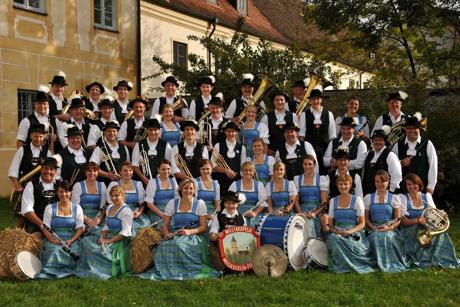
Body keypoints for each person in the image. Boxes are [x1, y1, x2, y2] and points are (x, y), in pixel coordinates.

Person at [138, 179, 221, 280]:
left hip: (194, 235)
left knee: (180, 245)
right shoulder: (172, 203)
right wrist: (167, 234)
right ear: (180, 190)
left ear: (194, 190)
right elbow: (165, 225)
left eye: (191, 188)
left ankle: (185, 270)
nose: (188, 191)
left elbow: (203, 227)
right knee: (163, 246)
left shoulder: (199, 203)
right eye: (185, 188)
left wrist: (189, 231)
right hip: (176, 233)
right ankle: (170, 271)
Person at [400, 174, 459, 269]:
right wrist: (416, 220)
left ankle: (440, 257)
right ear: (405, 186)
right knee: (417, 231)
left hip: (426, 225)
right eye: (408, 184)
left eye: (414, 183)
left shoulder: (427, 197)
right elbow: (403, 222)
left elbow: (434, 214)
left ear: (419, 184)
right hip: (410, 228)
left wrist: (442, 215)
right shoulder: (402, 198)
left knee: (441, 233)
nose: (412, 186)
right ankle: (422, 258)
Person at [76, 185, 134, 279]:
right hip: (108, 237)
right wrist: (102, 237)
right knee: (85, 241)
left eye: (117, 196)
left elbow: (125, 232)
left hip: (119, 241)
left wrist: (108, 241)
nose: (114, 198)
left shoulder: (126, 211)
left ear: (123, 196)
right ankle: (92, 265)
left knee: (97, 250)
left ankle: (101, 268)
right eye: (112, 196)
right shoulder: (110, 207)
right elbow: (107, 225)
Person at [323, 174, 376, 273]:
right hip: (338, 232)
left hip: (354, 232)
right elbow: (330, 225)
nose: (343, 187)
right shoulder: (333, 201)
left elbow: (362, 223)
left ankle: (347, 266)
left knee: (345, 241)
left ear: (350, 185)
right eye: (341, 184)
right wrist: (337, 231)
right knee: (335, 238)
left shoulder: (357, 200)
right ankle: (342, 265)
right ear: (337, 185)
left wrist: (350, 231)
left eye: (346, 184)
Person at [38, 180, 85, 279]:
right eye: (61, 191)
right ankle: (52, 271)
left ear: (70, 192)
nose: (64, 194)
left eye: (66, 191)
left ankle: (68, 270)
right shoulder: (49, 208)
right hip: (54, 238)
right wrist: (53, 240)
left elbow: (80, 228)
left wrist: (72, 240)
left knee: (76, 251)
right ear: (57, 193)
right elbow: (45, 228)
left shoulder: (77, 208)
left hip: (71, 238)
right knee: (54, 251)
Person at [364, 170, 408, 272]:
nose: (379, 184)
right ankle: (377, 263)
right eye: (377, 181)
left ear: (388, 182)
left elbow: (397, 220)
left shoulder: (394, 198)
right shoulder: (368, 198)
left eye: (382, 181)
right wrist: (373, 228)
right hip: (373, 228)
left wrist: (389, 228)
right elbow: (366, 219)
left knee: (387, 236)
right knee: (376, 236)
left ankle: (388, 262)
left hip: (390, 229)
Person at [9, 124, 52, 227]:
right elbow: (13, 169)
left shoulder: (48, 152)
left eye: (41, 136)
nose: (38, 139)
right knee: (21, 215)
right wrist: (16, 184)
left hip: (39, 187)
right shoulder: (22, 150)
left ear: (44, 137)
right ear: (30, 136)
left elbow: (52, 171)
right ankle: (18, 237)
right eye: (36, 136)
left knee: (37, 213)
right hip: (23, 187)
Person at [393, 114, 438, 194]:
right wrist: (401, 163)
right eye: (409, 128)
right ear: (405, 129)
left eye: (415, 128)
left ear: (419, 129)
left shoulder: (428, 144)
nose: (412, 131)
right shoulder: (397, 145)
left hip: (422, 189)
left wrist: (431, 187)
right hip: (402, 190)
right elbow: (392, 166)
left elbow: (433, 166)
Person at [299, 89, 336, 175]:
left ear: (321, 100)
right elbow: (302, 135)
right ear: (310, 101)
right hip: (309, 151)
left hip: (325, 151)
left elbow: (332, 136)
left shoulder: (329, 114)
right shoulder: (304, 115)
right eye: (313, 99)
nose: (316, 101)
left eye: (318, 99)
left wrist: (331, 153)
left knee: (325, 175)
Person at [21, 157, 61, 234]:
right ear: (41, 169)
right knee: (36, 239)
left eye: (52, 169)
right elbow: (27, 210)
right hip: (36, 224)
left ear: (55, 171)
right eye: (46, 168)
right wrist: (43, 226)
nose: (48, 171)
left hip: (57, 224)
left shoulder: (60, 185)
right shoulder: (31, 184)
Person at [107, 162, 149, 236]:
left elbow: (141, 204)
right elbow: (111, 204)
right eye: (125, 170)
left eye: (130, 170)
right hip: (118, 214)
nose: (128, 173)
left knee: (145, 226)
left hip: (135, 215)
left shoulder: (138, 184)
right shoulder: (114, 184)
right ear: (120, 172)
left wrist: (140, 212)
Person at [294, 155, 329, 237]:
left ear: (314, 165)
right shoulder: (297, 179)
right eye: (305, 164)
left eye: (310, 164)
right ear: (302, 165)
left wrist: (314, 213)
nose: (307, 166)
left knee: (311, 224)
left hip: (317, 210)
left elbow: (324, 202)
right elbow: (296, 201)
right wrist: (301, 213)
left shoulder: (322, 179)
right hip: (302, 210)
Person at [132, 118, 173, 186]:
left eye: (155, 130)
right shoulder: (139, 145)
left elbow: (169, 164)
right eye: (150, 130)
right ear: (147, 130)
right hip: (143, 182)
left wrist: (160, 178)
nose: (153, 132)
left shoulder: (166, 145)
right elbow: (135, 165)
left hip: (162, 181)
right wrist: (144, 179)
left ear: (159, 131)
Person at [362, 126, 402, 195]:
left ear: (384, 141)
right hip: (367, 193)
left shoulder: (390, 155)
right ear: (372, 141)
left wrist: (390, 192)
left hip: (384, 194)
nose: (378, 142)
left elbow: (397, 175)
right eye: (375, 140)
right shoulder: (369, 153)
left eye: (380, 140)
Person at [72, 162, 107, 238]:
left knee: (104, 233)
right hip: (81, 217)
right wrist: (85, 219)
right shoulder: (78, 185)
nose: (92, 173)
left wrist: (99, 219)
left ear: (98, 172)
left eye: (94, 171)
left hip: (97, 218)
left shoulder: (102, 185)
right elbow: (75, 207)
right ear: (85, 172)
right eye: (89, 171)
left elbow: (104, 207)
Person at [229, 162, 268, 227]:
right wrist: (236, 213)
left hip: (254, 215)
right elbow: (229, 201)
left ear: (254, 172)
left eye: (250, 170)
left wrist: (255, 213)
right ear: (241, 171)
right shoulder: (234, 184)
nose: (248, 172)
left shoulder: (259, 185)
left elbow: (263, 202)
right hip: (238, 214)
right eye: (245, 170)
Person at [212, 121, 246, 194]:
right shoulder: (218, 145)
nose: (231, 133)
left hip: (236, 181)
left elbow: (243, 166)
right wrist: (226, 171)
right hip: (221, 181)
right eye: (228, 131)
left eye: (233, 131)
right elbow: (213, 166)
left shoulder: (242, 147)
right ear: (225, 132)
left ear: (236, 132)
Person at [261, 90, 299, 155]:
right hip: (272, 153)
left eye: (282, 100)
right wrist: (267, 150)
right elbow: (262, 137)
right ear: (273, 102)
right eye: (277, 100)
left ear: (285, 101)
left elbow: (297, 134)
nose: (279, 102)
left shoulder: (293, 116)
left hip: (290, 152)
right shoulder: (266, 118)